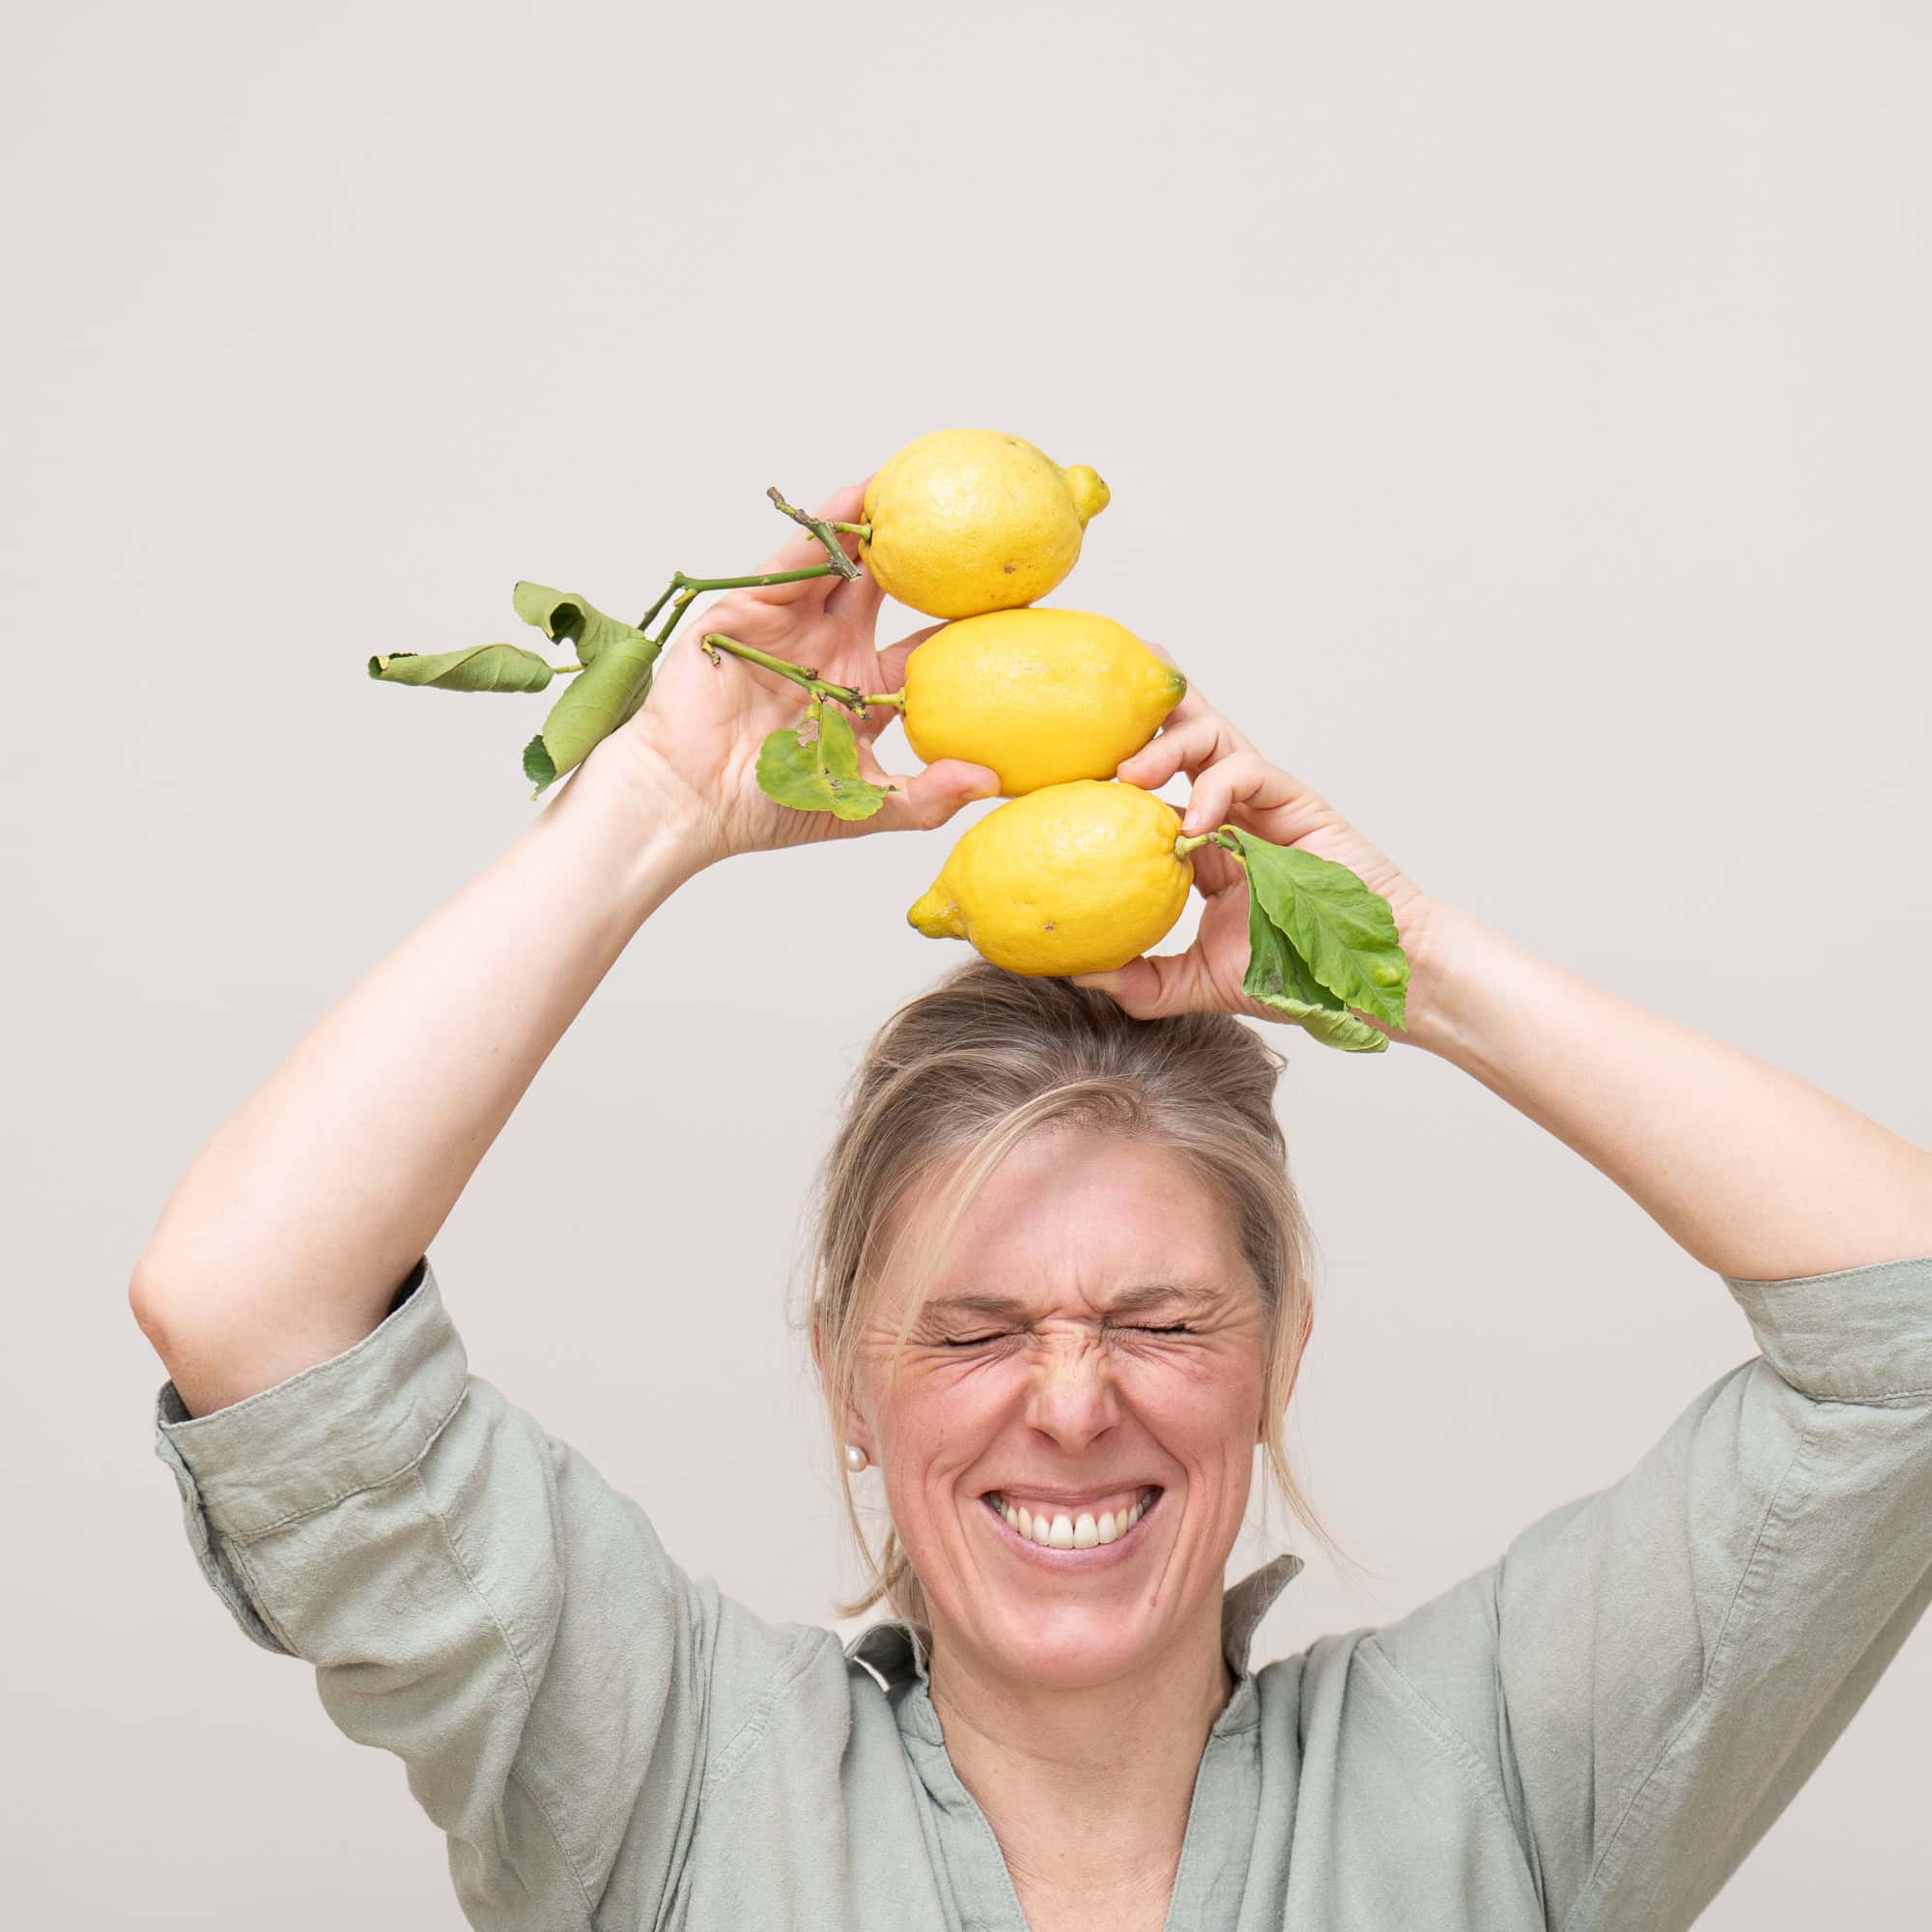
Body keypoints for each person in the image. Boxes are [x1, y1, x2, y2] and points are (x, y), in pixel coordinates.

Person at [130, 489, 1932, 1932]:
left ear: (1280, 1349)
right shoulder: (664, 1779)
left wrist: (1407, 958)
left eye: (1158, 1323)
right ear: (849, 1371)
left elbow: (1906, 1324)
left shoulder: (1502, 1776)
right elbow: (246, 1305)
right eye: (976, 1331)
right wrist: (653, 813)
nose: (1073, 1407)